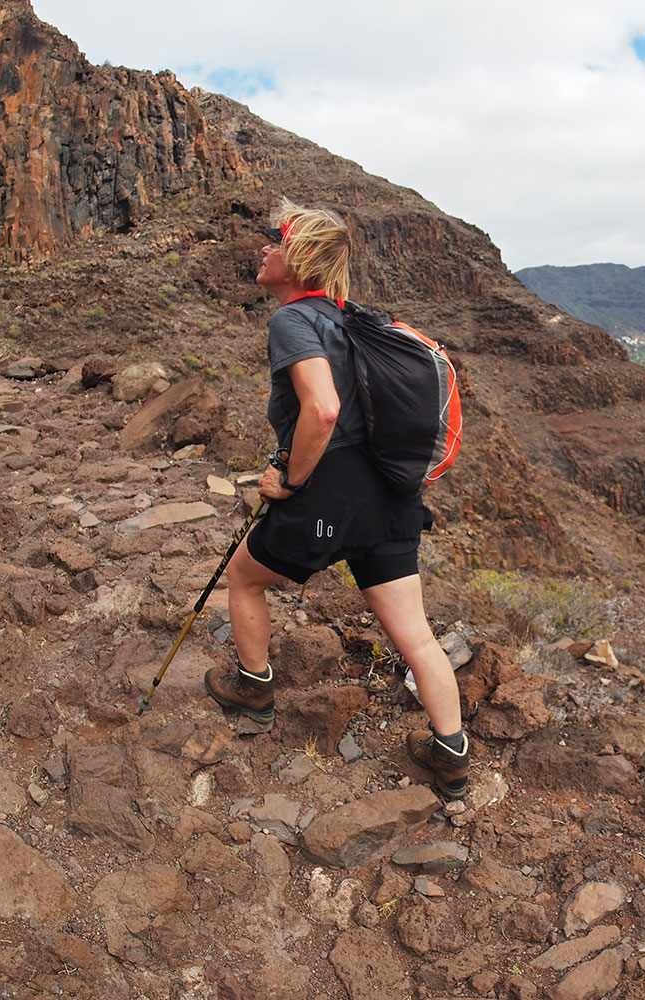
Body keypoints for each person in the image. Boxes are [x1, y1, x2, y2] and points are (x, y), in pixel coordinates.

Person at [203, 200, 472, 798]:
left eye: (275, 238)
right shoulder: (354, 319)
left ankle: (253, 690)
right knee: (417, 636)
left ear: (297, 257)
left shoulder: (292, 322)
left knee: (245, 580)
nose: (264, 246)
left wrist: (289, 482)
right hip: (391, 496)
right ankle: (451, 755)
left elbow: (323, 410)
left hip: (330, 495)